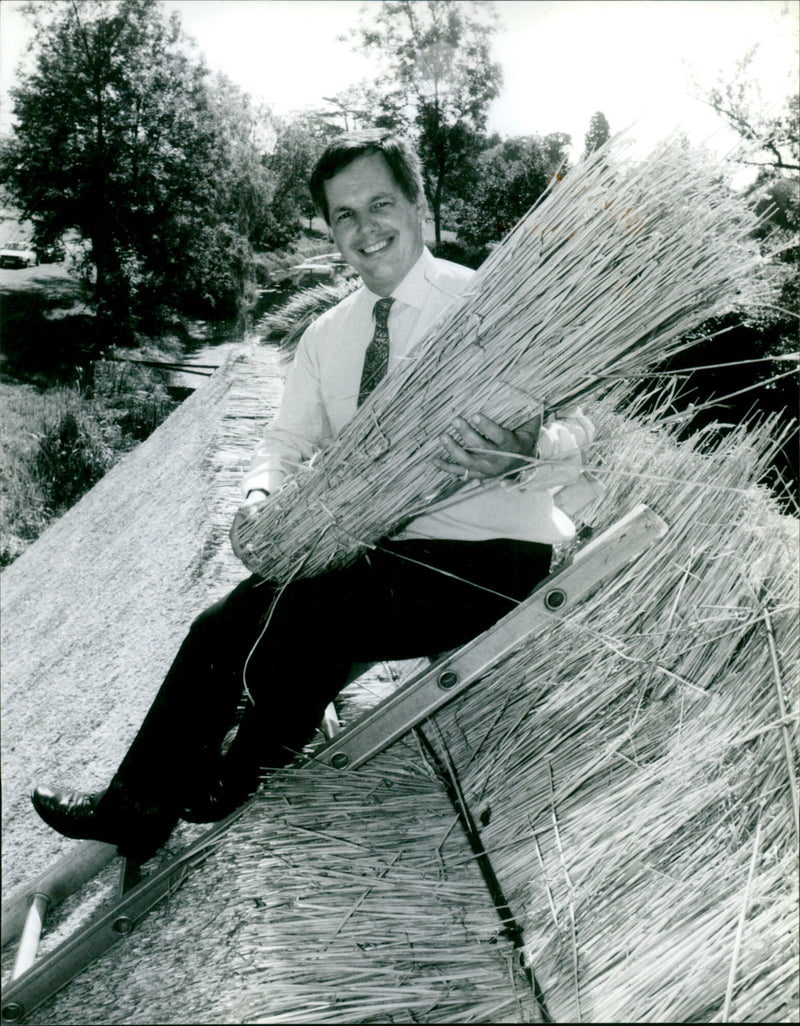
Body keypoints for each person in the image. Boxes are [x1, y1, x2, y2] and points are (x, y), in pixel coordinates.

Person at [32, 131, 595, 863]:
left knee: (305, 615)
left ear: (418, 205)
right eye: (343, 215)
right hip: (388, 555)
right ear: (329, 230)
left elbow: (582, 429)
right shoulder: (329, 335)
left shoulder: (487, 307)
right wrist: (258, 498)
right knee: (222, 622)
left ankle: (243, 766)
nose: (365, 229)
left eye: (380, 204)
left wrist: (529, 448)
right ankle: (138, 808)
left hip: (489, 561)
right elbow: (283, 442)